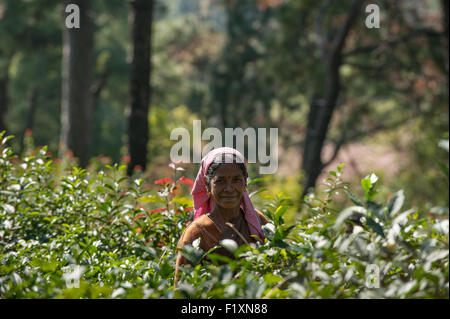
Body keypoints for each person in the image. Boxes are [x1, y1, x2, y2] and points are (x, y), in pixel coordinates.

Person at [174, 147, 268, 287]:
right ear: (207, 184)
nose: (229, 188)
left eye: (236, 180)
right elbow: (181, 290)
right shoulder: (197, 233)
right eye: (220, 181)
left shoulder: (259, 222)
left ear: (245, 182)